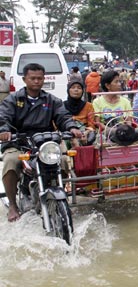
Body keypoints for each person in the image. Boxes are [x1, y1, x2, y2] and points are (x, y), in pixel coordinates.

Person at [0, 63, 82, 222]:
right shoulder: (13, 99)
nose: (36, 81)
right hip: (19, 142)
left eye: (39, 78)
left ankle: (60, 196)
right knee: (10, 162)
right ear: (25, 79)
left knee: (64, 160)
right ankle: (12, 205)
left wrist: (72, 127)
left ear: (44, 79)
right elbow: (3, 117)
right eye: (32, 78)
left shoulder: (52, 100)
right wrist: (4, 130)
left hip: (45, 141)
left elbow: (63, 116)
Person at [64, 77, 96, 147]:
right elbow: (56, 125)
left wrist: (85, 133)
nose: (76, 90)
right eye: (73, 87)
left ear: (82, 91)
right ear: (68, 90)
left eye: (79, 88)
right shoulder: (62, 106)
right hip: (67, 132)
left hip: (84, 132)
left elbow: (91, 125)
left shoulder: (88, 106)